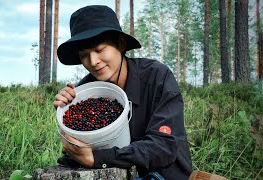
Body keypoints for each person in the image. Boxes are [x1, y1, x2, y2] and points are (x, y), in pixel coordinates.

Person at [53, 5, 192, 180]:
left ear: (120, 44)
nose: (93, 61)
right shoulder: (86, 92)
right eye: (84, 55)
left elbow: (163, 147)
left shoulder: (157, 77)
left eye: (99, 50)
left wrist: (98, 159)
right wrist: (68, 117)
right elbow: (75, 153)